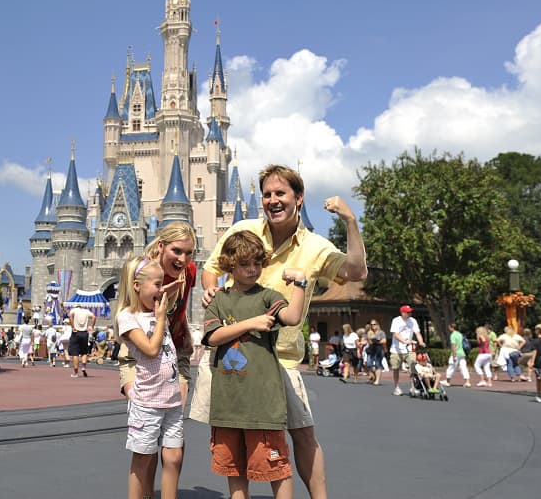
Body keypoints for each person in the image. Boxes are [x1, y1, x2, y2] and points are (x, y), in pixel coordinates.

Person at [198, 164, 367, 499]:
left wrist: (350, 221)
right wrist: (210, 290)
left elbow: (356, 271)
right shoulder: (244, 229)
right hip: (235, 357)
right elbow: (211, 268)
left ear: (298, 198)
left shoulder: (316, 246)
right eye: (267, 194)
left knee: (302, 434)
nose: (273, 200)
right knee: (235, 436)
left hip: (283, 359)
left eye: (281, 194)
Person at [203, 230, 309, 499]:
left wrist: (300, 283)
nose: (252, 270)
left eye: (257, 263)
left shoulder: (268, 297)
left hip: (263, 403)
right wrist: (251, 323)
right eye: (244, 264)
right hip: (228, 403)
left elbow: (294, 316)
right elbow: (213, 337)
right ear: (230, 264)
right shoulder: (219, 299)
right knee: (233, 469)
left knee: (277, 466)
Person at [117, 222, 197, 492]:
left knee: (174, 447)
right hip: (141, 363)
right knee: (146, 452)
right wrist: (129, 382)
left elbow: (181, 308)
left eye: (189, 253)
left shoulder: (190, 272)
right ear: (161, 246)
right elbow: (135, 334)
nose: (183, 259)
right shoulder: (144, 271)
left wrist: (183, 328)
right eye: (177, 250)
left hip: (173, 358)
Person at [389, 305, 426, 396]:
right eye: (408, 312)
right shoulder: (396, 320)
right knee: (395, 368)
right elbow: (395, 334)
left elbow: (417, 332)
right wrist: (404, 341)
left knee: (413, 367)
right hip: (396, 349)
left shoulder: (413, 321)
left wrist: (421, 342)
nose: (410, 313)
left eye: (410, 312)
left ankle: (413, 386)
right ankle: (396, 387)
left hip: (409, 349)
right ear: (402, 313)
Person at [69, 302, 95, 377]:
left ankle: (76, 372)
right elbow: (94, 317)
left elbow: (70, 316)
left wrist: (72, 326)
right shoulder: (86, 311)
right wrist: (91, 326)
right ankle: (83, 367)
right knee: (84, 352)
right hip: (84, 332)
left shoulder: (73, 311)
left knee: (75, 353)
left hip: (76, 332)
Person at [442, 322, 471, 388]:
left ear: (452, 328)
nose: (448, 328)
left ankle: (447, 381)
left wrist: (454, 355)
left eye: (449, 327)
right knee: (464, 368)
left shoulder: (453, 335)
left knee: (451, 367)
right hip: (462, 353)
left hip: (456, 353)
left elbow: (453, 345)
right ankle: (467, 382)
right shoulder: (460, 334)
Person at [365, 320, 386, 385]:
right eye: (371, 324)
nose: (373, 326)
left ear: (377, 325)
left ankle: (377, 380)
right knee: (368, 364)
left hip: (379, 349)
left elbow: (384, 341)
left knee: (378, 364)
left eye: (374, 324)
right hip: (371, 349)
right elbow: (369, 341)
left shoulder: (381, 332)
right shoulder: (369, 332)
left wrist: (377, 341)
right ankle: (374, 376)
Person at [530, 323, 541, 403]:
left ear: (537, 331)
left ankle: (539, 395)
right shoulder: (537, 341)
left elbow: (534, 352)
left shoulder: (535, 341)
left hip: (539, 364)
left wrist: (532, 362)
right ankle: (538, 395)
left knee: (539, 380)